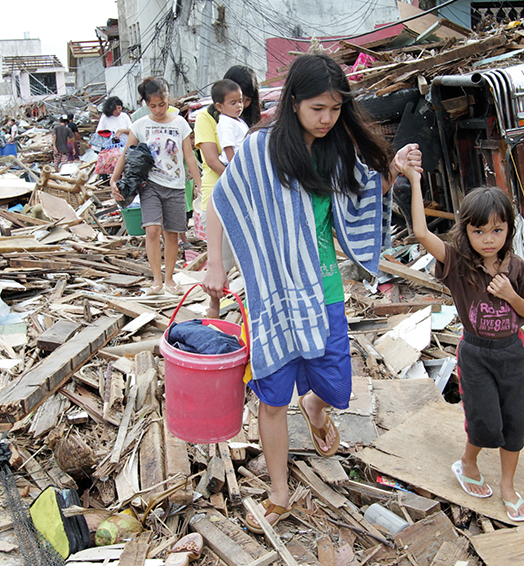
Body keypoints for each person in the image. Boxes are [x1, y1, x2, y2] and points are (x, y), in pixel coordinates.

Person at [202, 53, 421, 533]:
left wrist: (396, 167)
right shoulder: (261, 151)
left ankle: (317, 410)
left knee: (336, 388)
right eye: (318, 109)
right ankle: (279, 491)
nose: (327, 119)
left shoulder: (338, 151)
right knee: (272, 397)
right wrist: (216, 263)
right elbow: (220, 202)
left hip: (323, 291)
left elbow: (365, 193)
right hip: (273, 296)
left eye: (336, 110)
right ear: (295, 102)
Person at [408, 178, 524, 522]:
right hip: (476, 354)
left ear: (508, 230)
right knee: (484, 423)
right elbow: (422, 234)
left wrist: (510, 295)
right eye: (479, 231)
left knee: (515, 423)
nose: (488, 239)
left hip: (511, 351)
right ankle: (467, 462)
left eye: (497, 230)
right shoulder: (457, 263)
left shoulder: (518, 269)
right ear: (465, 231)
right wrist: (415, 180)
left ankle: (508, 487)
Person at [110, 77, 202, 296]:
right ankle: (156, 281)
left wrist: (198, 184)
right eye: (153, 106)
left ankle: (169, 279)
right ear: (146, 104)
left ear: (168, 99)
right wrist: (114, 179)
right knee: (152, 229)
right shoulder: (140, 125)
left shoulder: (179, 123)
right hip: (150, 184)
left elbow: (189, 156)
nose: (158, 109)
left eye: (162, 104)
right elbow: (126, 153)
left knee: (172, 233)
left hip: (177, 185)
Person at [194, 65, 261, 317]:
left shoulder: (242, 121)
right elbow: (213, 160)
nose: (241, 104)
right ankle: (213, 317)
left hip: (244, 199)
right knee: (219, 265)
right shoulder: (208, 118)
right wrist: (241, 179)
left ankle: (248, 315)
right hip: (219, 197)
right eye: (236, 100)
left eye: (245, 100)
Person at [212, 79, 247, 165]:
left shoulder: (237, 120)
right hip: (234, 163)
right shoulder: (226, 123)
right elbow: (228, 147)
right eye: (233, 103)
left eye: (240, 101)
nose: (239, 106)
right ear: (219, 106)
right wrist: (235, 169)